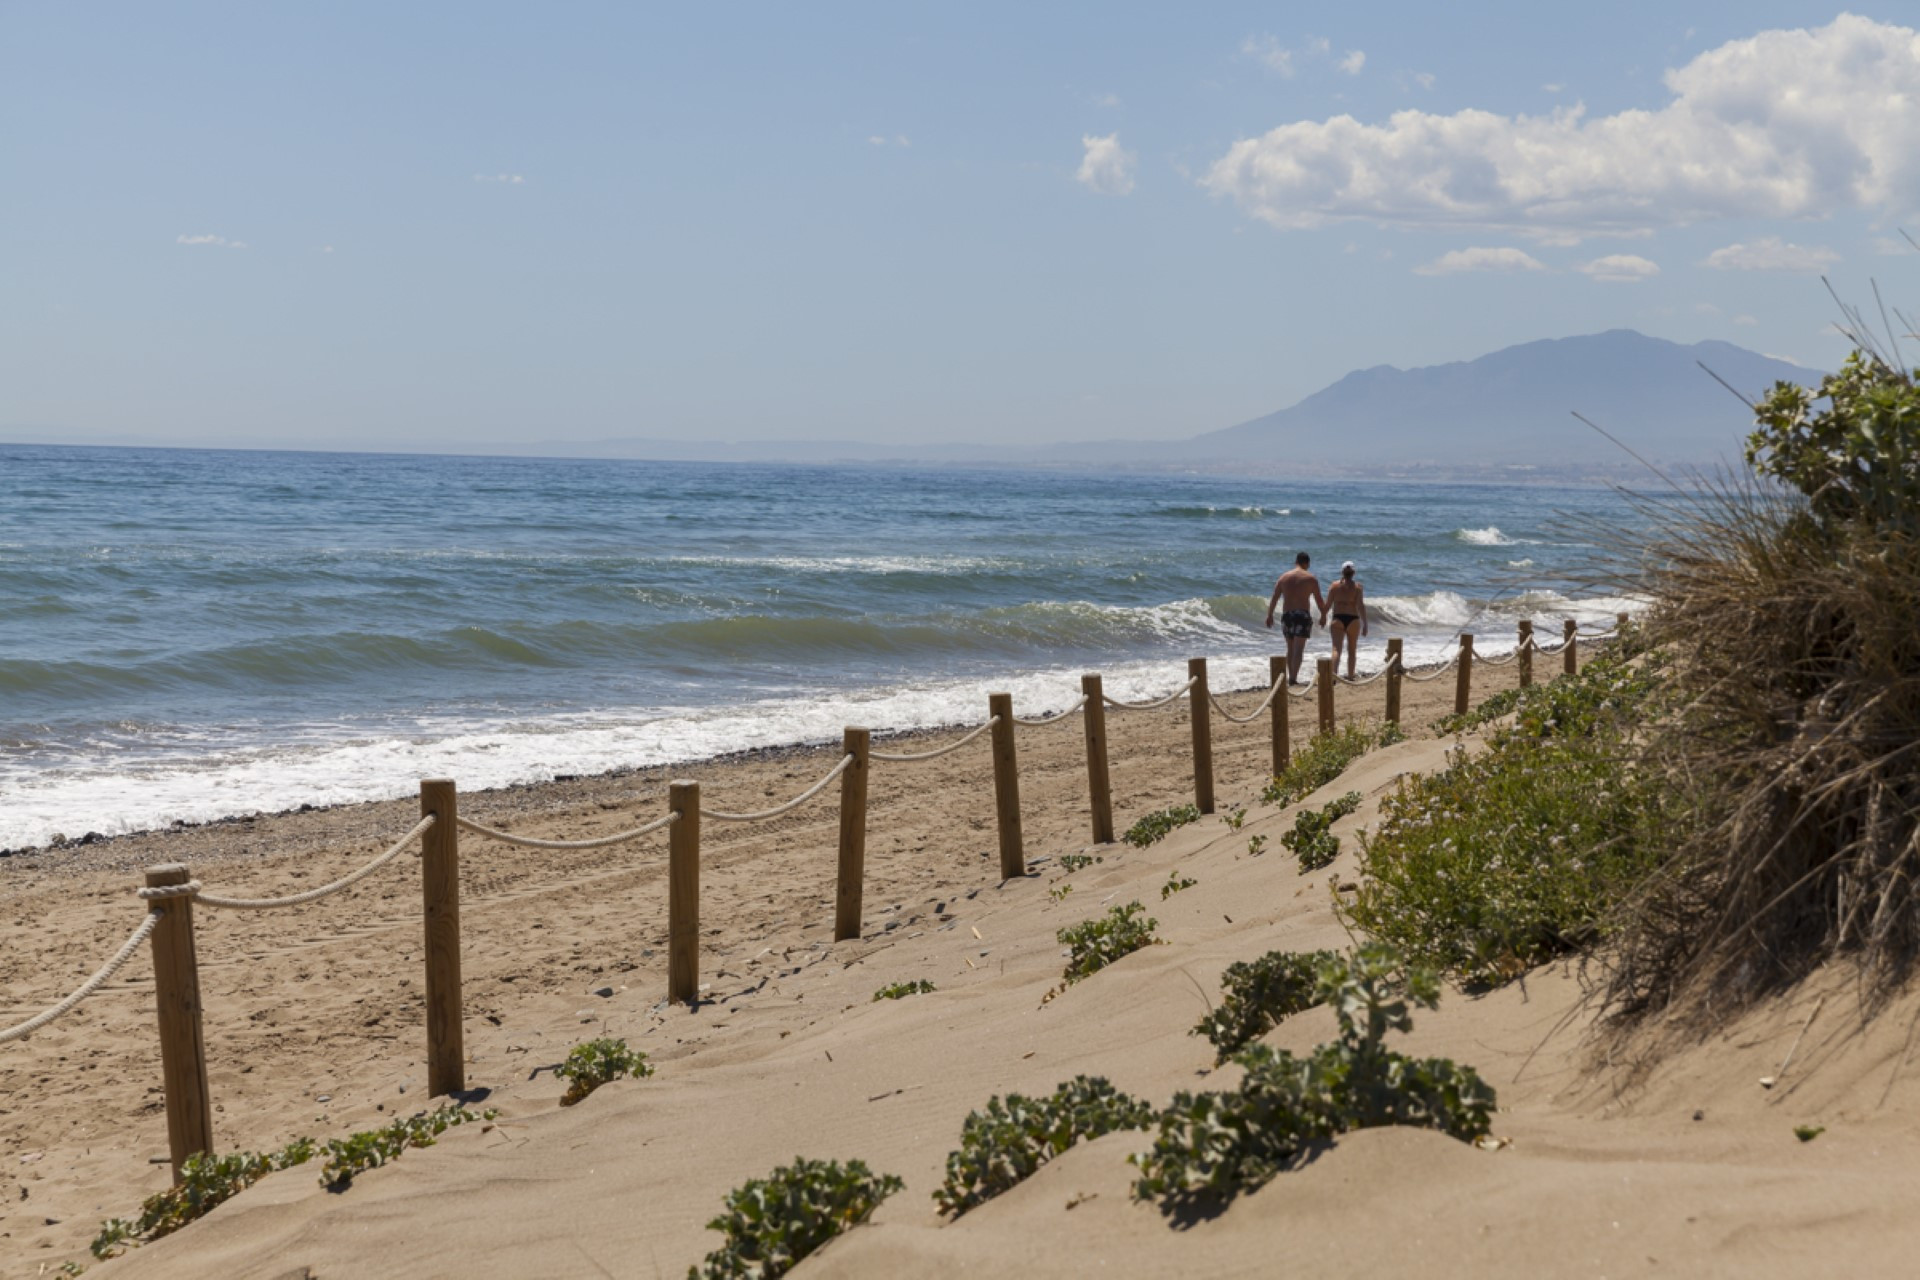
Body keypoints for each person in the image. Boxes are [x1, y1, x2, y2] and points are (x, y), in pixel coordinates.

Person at [1264, 551, 1325, 685]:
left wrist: (1269, 615)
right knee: (1299, 649)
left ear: (1295, 562)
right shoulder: (1311, 578)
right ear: (1307, 563)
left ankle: (1289, 676)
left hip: (1287, 615)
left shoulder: (1283, 578)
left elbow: (1274, 598)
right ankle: (1293, 678)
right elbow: (1319, 600)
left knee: (1290, 648)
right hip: (1302, 615)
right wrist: (1324, 615)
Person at [1322, 560, 1369, 680]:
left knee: (1336, 649)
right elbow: (1360, 606)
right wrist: (1365, 624)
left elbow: (1327, 605)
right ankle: (1351, 675)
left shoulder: (1334, 586)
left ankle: (1333, 676)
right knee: (1352, 650)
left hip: (1338, 618)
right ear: (1354, 572)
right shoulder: (1358, 587)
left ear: (1342, 572)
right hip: (1353, 619)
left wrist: (1323, 617)